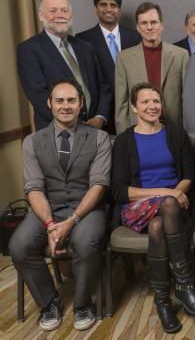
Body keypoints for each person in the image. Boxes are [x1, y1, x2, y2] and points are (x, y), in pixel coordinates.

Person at [9, 79, 111, 331]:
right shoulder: (32, 142)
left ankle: (82, 303)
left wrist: (72, 221)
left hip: (86, 208)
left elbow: (98, 186)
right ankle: (49, 301)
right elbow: (34, 187)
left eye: (71, 100)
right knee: (19, 246)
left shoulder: (100, 138)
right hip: (47, 208)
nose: (66, 106)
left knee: (86, 243)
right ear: (50, 104)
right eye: (60, 101)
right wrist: (50, 224)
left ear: (81, 104)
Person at [111, 82, 195, 333]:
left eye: (156, 101)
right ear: (134, 107)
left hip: (175, 209)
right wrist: (168, 191)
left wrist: (176, 192)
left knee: (158, 226)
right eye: (145, 102)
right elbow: (120, 190)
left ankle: (163, 300)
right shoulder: (124, 141)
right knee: (166, 204)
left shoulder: (175, 134)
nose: (152, 106)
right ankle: (186, 287)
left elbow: (190, 176)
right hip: (139, 207)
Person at [17, 0, 111, 131]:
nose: (60, 15)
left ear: (70, 15)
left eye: (64, 10)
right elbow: (39, 96)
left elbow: (103, 87)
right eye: (53, 11)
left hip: (95, 129)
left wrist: (100, 117)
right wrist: (76, 125)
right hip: (56, 132)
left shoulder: (85, 47)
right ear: (41, 16)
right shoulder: (29, 49)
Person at [114, 2, 189, 134]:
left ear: (162, 25)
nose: (149, 27)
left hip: (173, 129)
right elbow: (121, 104)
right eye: (144, 23)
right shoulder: (124, 58)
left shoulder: (180, 55)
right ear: (137, 27)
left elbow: (187, 100)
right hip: (137, 130)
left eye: (153, 22)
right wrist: (125, 138)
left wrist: (185, 133)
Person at [76, 0, 142, 134]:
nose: (109, 9)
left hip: (132, 111)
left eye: (113, 5)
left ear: (119, 9)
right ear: (95, 8)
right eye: (103, 4)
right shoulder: (83, 40)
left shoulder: (135, 37)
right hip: (100, 114)